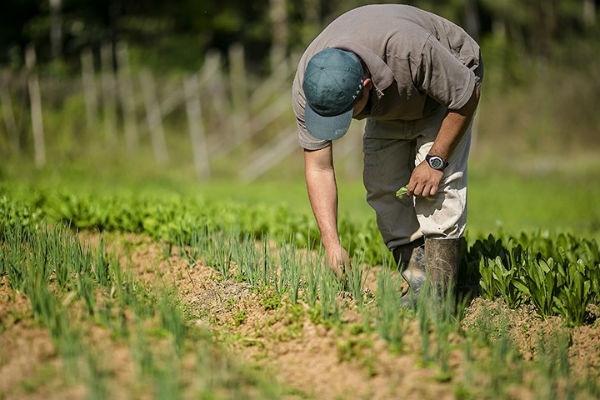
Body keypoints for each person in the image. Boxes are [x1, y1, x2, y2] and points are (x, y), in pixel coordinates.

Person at [292, 4, 483, 305]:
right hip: (393, 94)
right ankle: (420, 282)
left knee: (436, 190)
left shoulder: (411, 50)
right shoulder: (312, 87)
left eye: (346, 113)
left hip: (446, 85)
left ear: (365, 88)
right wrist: (332, 244)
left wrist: (435, 160)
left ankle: (440, 297)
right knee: (383, 187)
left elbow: (466, 95)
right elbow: (319, 168)